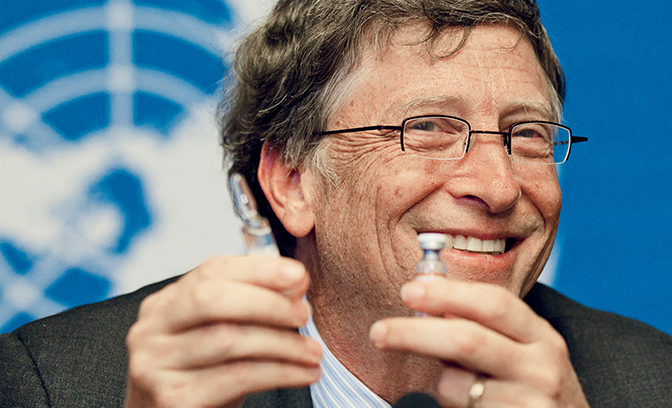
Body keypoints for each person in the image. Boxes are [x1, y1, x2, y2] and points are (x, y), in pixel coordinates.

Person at [1, 0, 671, 407]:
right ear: (293, 182)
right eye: (428, 129)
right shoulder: (59, 385)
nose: (498, 188)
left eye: (527, 135)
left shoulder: (652, 381)